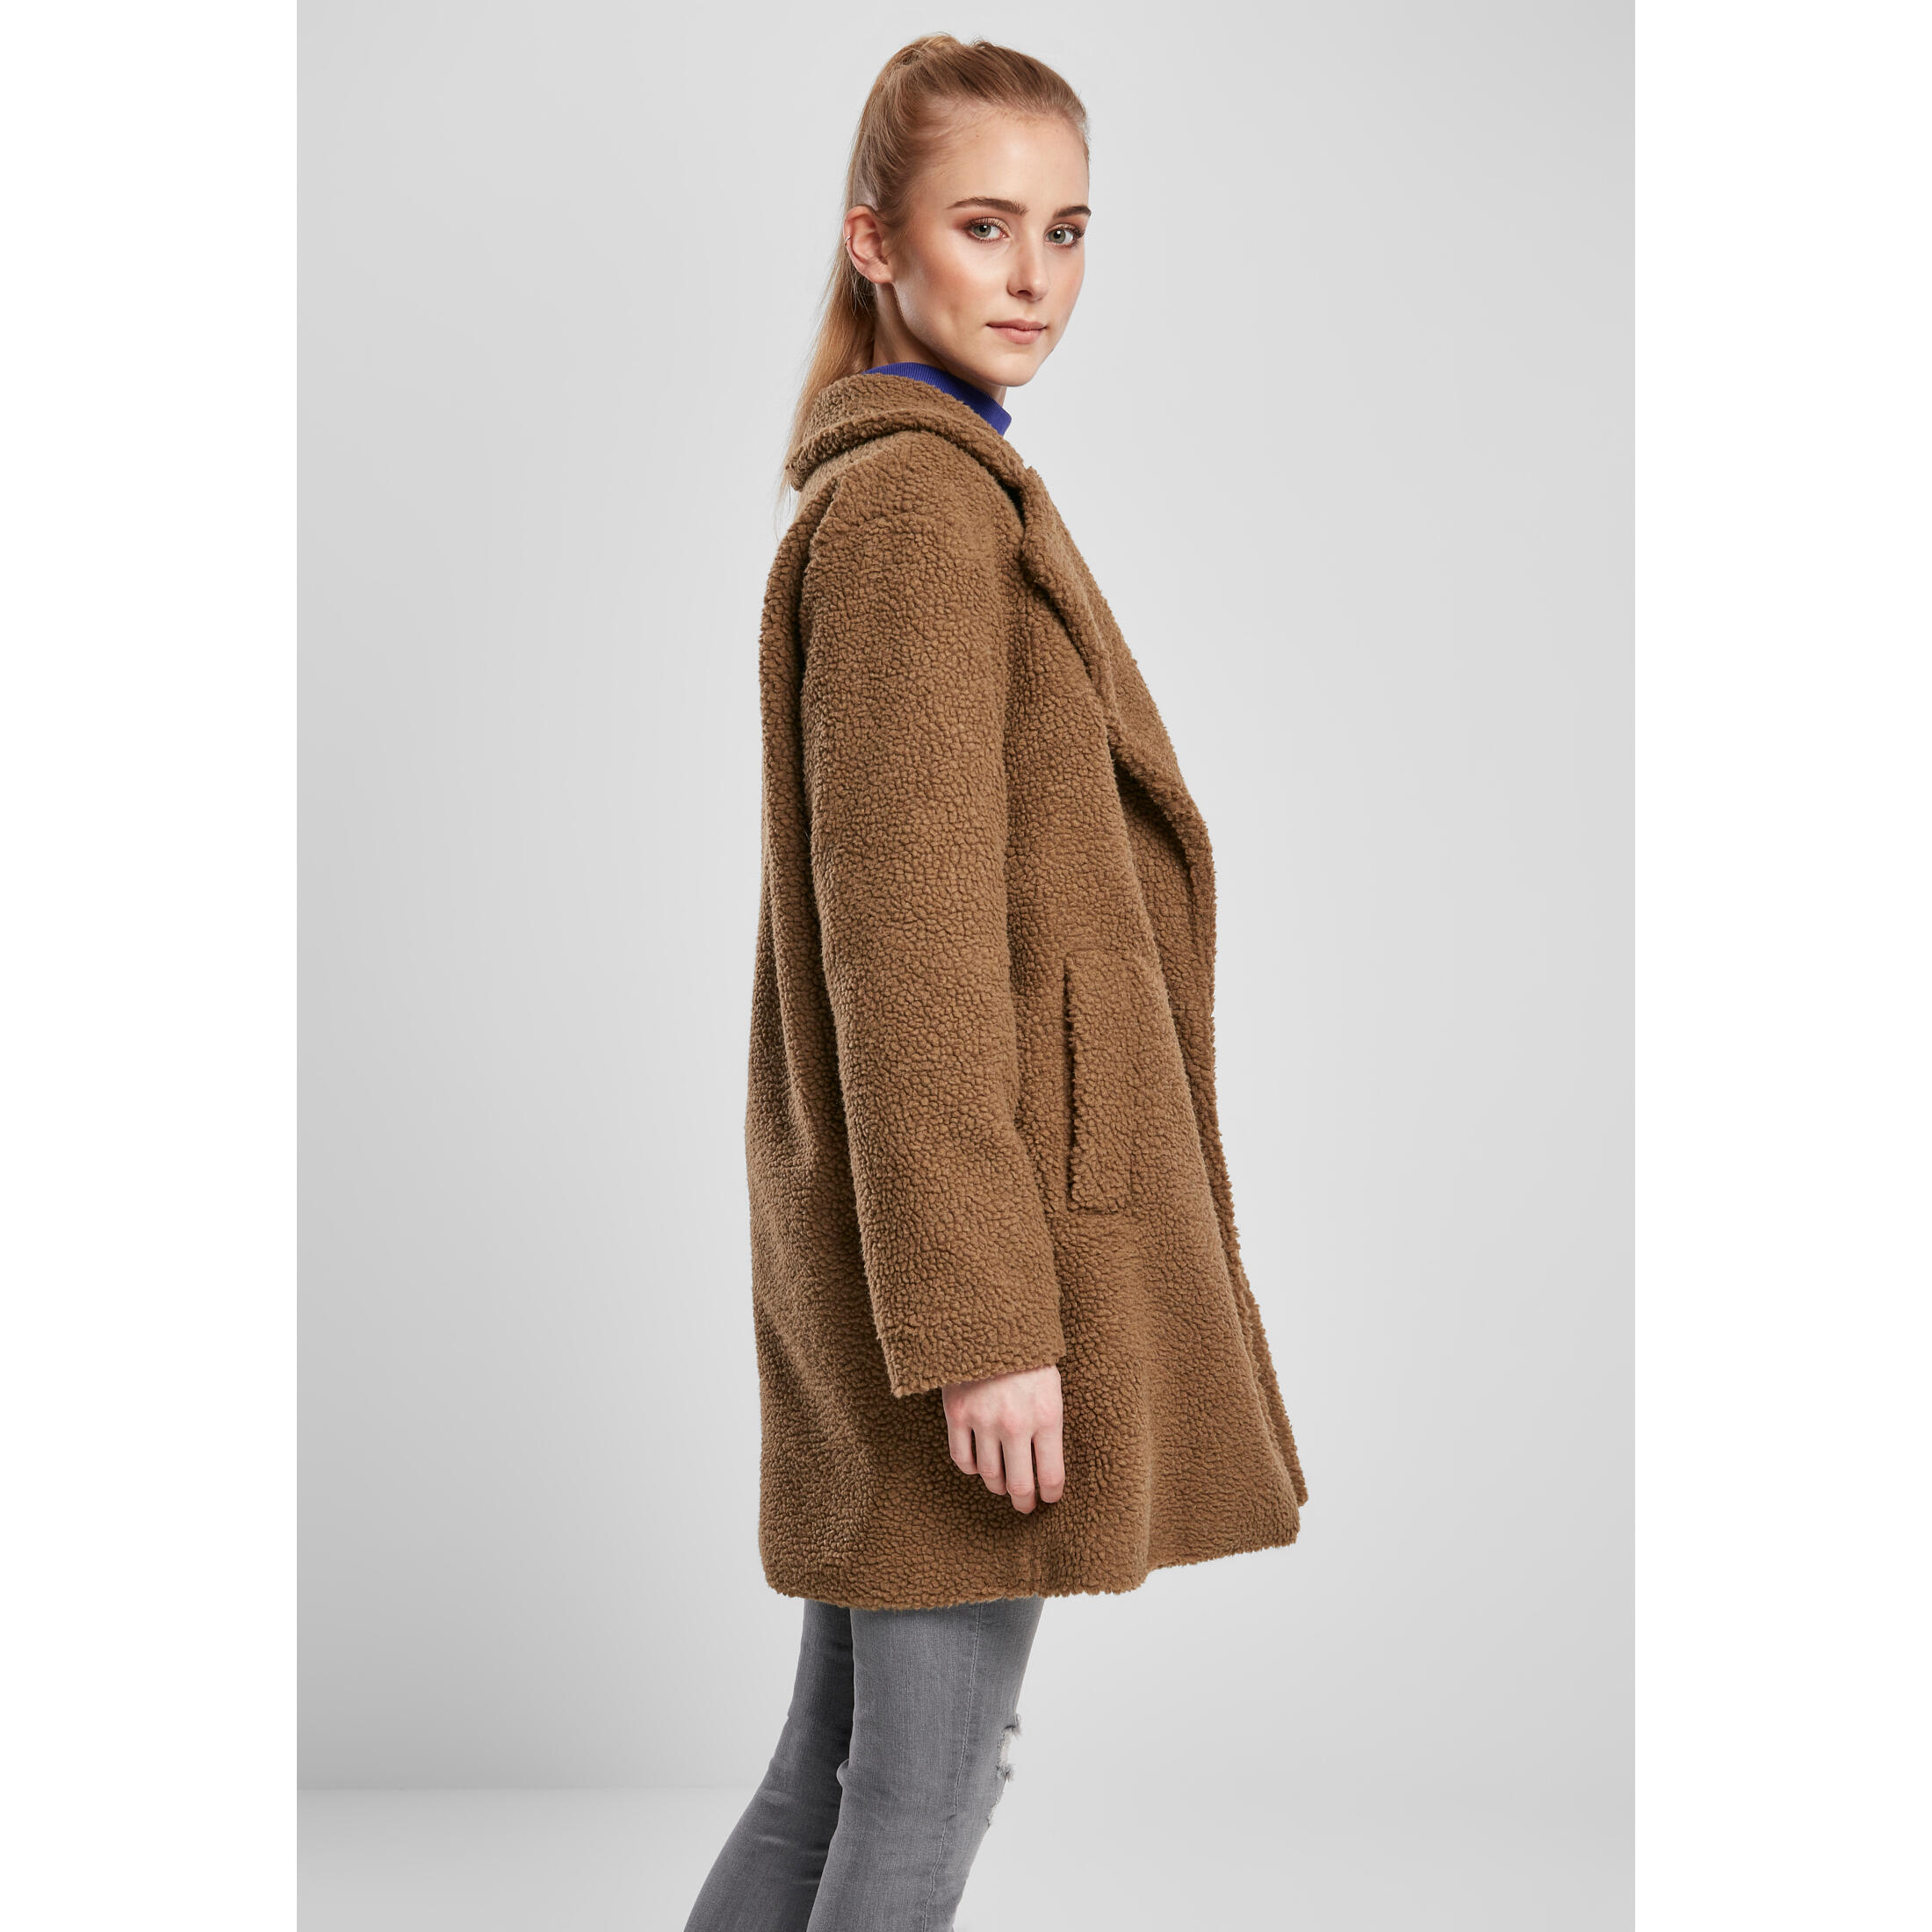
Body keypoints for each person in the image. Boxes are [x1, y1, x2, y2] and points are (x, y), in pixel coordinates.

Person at [685, 34, 1309, 1931]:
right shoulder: (915, 512)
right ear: (875, 240)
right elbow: (909, 951)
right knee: (920, 1789)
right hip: (966, 1276)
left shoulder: (926, 489)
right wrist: (983, 1321)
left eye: (1067, 230)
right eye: (983, 225)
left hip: (922, 1255)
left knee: (836, 1771)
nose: (1032, 275)